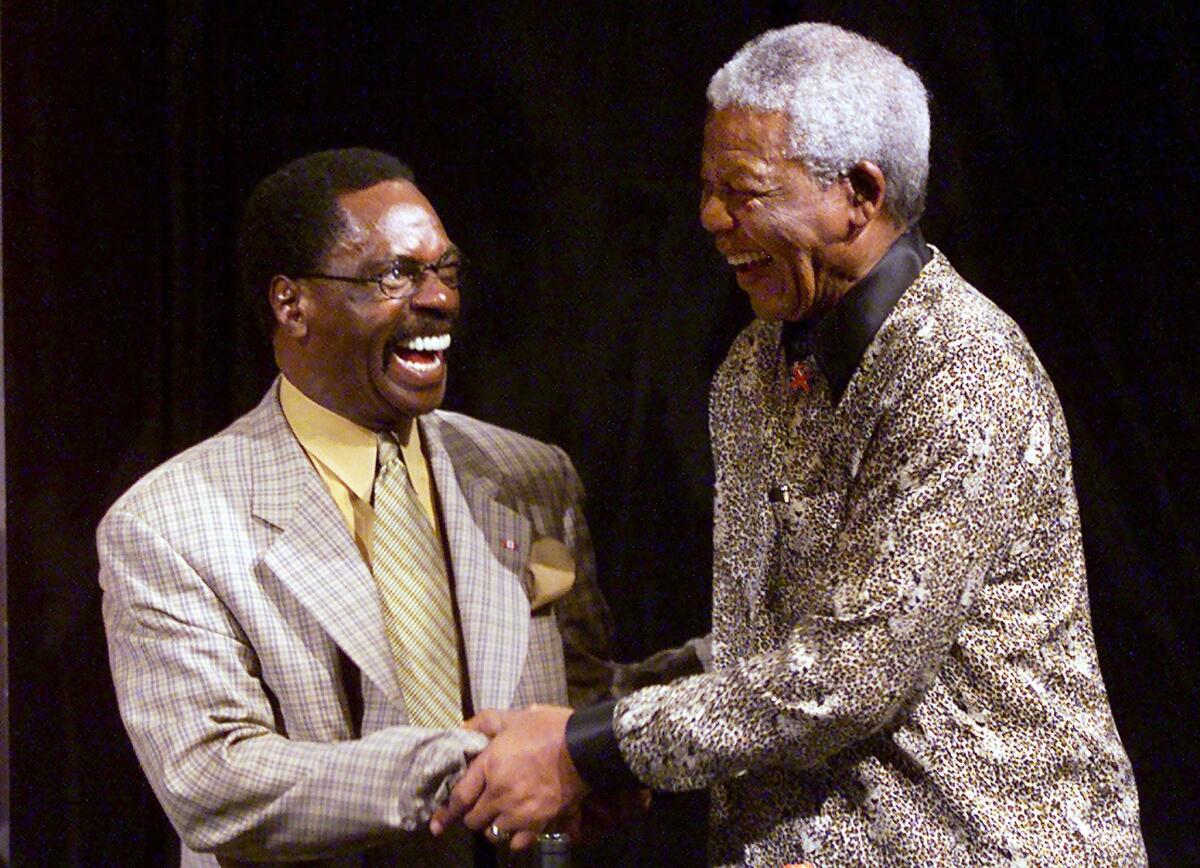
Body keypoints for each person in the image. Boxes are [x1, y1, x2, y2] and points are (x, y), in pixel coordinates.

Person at [431, 23, 1148, 866]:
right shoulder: (752, 371)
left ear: (860, 193)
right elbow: (767, 643)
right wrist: (590, 730)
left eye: (743, 190)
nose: (709, 218)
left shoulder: (960, 368)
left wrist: (589, 748)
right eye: (706, 187)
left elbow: (853, 671)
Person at [98, 148, 613, 866]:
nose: (440, 299)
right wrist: (479, 766)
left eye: (446, 270)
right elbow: (214, 780)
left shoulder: (531, 476)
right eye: (396, 274)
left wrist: (651, 726)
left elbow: (584, 690)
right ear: (292, 304)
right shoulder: (168, 524)